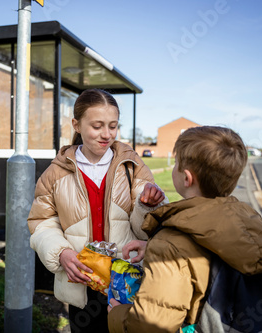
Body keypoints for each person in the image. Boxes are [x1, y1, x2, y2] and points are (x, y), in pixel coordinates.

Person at [107, 126, 262, 333]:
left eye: (177, 163)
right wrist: (152, 246)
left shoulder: (171, 244)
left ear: (187, 178)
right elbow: (213, 256)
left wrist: (118, 316)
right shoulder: (248, 221)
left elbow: (153, 326)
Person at [27, 88, 168, 333]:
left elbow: (145, 227)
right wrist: (61, 253)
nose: (106, 134)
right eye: (97, 126)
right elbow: (42, 222)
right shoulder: (55, 173)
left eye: (112, 126)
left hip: (127, 280)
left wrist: (149, 205)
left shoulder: (132, 166)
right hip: (82, 281)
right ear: (77, 125)